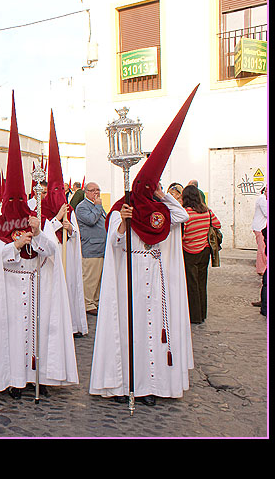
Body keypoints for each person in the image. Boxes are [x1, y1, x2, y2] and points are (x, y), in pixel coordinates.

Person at [90, 85, 199, 407]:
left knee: (156, 330)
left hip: (157, 277)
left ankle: (154, 385)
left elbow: (182, 216)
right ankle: (129, 383)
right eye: (148, 189)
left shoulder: (162, 212)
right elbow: (116, 244)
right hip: (131, 279)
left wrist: (163, 194)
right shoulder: (120, 213)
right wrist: (124, 220)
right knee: (133, 330)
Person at [0, 93, 78, 399]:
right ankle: (13, 380)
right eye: (13, 200)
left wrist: (39, 234)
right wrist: (14, 244)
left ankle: (40, 377)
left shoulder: (38, 221)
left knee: (38, 333)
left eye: (21, 200)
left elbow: (51, 254)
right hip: (9, 288)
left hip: (36, 286)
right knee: (12, 336)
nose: (17, 205)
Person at [41, 111, 88, 338]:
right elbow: (42, 233)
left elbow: (76, 233)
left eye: (62, 190)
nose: (58, 194)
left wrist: (71, 229)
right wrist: (57, 222)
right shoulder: (42, 210)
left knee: (69, 287)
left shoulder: (70, 210)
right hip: (53, 257)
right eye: (54, 190)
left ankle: (72, 323)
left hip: (68, 255)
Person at [181, 184, 221, 324]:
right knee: (202, 283)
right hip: (205, 250)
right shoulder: (207, 211)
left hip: (189, 252)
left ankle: (195, 316)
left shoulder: (186, 214)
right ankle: (203, 313)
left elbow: (183, 235)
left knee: (192, 284)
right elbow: (217, 224)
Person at [75, 182, 106, 317]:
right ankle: (88, 304)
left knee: (98, 278)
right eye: (92, 190)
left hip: (101, 247)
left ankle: (95, 301)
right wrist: (98, 206)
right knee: (90, 278)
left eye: (98, 190)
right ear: (86, 192)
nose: (96, 193)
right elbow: (91, 220)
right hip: (91, 247)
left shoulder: (96, 205)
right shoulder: (82, 207)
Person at [252, 186, 267, 276]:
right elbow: (266, 212)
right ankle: (261, 269)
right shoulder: (262, 199)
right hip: (260, 227)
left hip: (262, 227)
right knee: (262, 248)